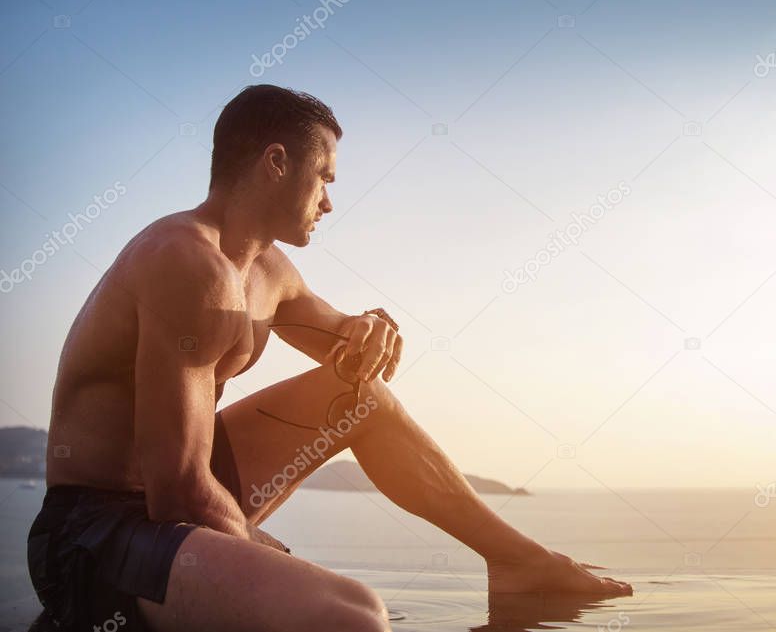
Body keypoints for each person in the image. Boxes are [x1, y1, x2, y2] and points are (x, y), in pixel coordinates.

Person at [26, 85, 632, 632]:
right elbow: (178, 494)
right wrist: (275, 558)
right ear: (276, 163)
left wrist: (371, 328)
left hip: (172, 501)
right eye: (327, 179)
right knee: (353, 614)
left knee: (360, 400)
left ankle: (519, 562)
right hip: (93, 533)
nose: (329, 203)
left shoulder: (266, 270)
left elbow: (345, 347)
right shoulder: (186, 263)